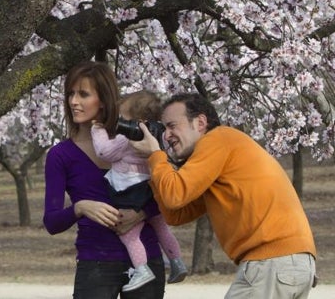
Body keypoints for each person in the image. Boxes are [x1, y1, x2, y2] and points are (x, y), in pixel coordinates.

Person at [130, 92, 317, 299]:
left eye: (172, 126)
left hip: (271, 259)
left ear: (200, 122)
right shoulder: (220, 160)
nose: (166, 135)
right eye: (164, 129)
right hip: (288, 262)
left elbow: (175, 194)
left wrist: (156, 156)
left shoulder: (218, 138)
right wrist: (154, 166)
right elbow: (176, 214)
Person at [43, 60, 166, 299]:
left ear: (103, 99)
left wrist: (142, 213)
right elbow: (52, 222)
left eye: (83, 94)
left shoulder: (137, 141)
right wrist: (80, 208)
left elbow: (168, 194)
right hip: (96, 264)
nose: (73, 101)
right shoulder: (60, 155)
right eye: (70, 94)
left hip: (146, 262)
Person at [91, 90, 187, 292]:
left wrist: (98, 131)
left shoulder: (128, 137)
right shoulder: (159, 137)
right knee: (162, 229)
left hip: (129, 191)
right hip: (150, 189)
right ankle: (177, 262)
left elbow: (104, 152)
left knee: (130, 234)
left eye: (124, 118)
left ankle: (141, 269)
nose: (120, 123)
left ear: (138, 122)